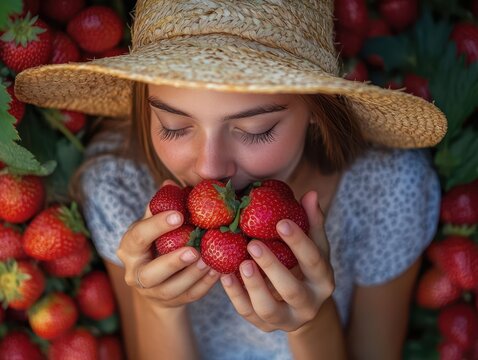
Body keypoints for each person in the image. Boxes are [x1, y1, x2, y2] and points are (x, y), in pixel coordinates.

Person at [15, 1, 447, 359]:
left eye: (256, 130)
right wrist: (157, 308)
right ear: (145, 108)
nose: (210, 169)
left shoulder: (388, 191)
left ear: (317, 110)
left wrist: (311, 323)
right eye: (173, 125)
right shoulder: (119, 185)